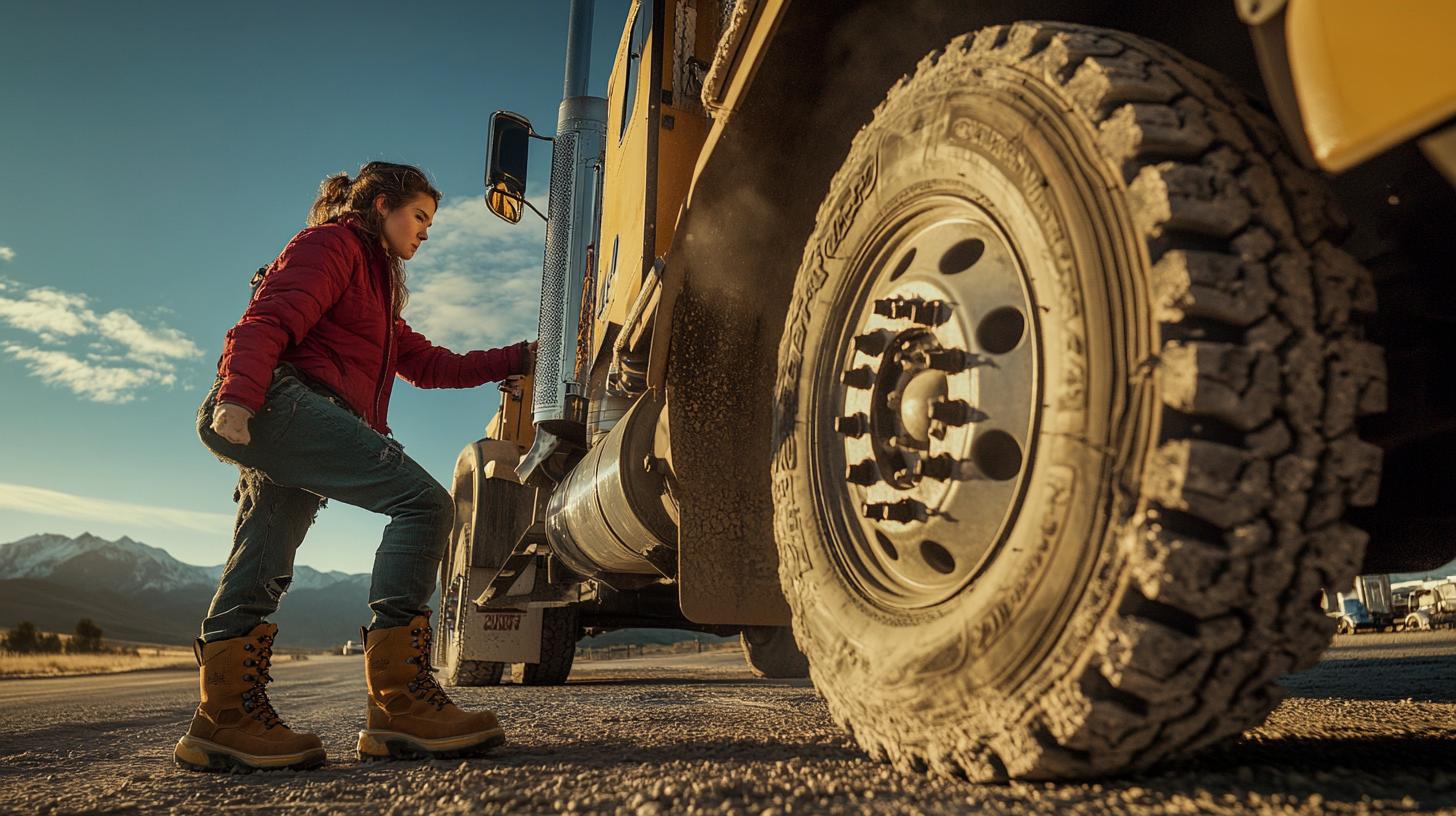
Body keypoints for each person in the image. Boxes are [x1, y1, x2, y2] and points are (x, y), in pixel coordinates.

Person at [174, 161, 534, 772]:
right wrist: (237, 398)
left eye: (429, 222)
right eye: (418, 216)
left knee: (262, 559)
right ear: (379, 206)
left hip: (303, 420)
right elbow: (267, 318)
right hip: (284, 404)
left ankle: (224, 722)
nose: (424, 232)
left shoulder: (376, 290)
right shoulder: (333, 244)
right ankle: (400, 703)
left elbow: (430, 365)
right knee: (425, 504)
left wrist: (523, 355)